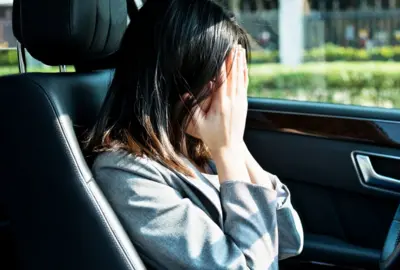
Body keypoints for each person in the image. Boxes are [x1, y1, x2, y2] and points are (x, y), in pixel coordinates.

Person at [84, 0, 304, 269]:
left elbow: (288, 240)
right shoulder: (126, 174)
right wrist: (228, 150)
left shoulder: (198, 144)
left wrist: (235, 147)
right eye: (222, 79)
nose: (229, 96)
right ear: (179, 78)